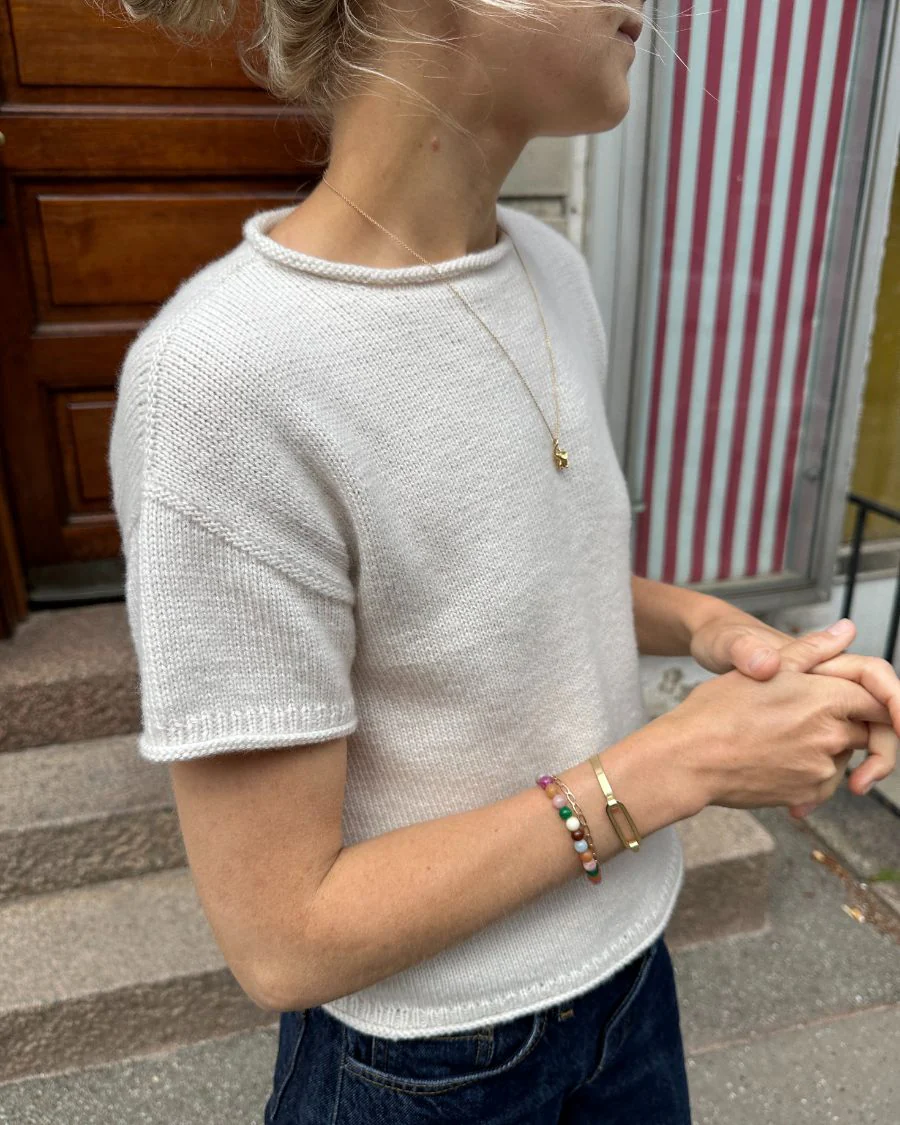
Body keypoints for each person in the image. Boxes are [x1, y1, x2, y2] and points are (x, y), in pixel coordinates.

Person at [107, 1, 900, 1121]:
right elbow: (285, 939)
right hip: (423, 1065)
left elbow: (498, 579)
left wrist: (708, 626)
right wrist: (684, 762)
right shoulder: (221, 384)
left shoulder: (548, 268)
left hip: (629, 974)